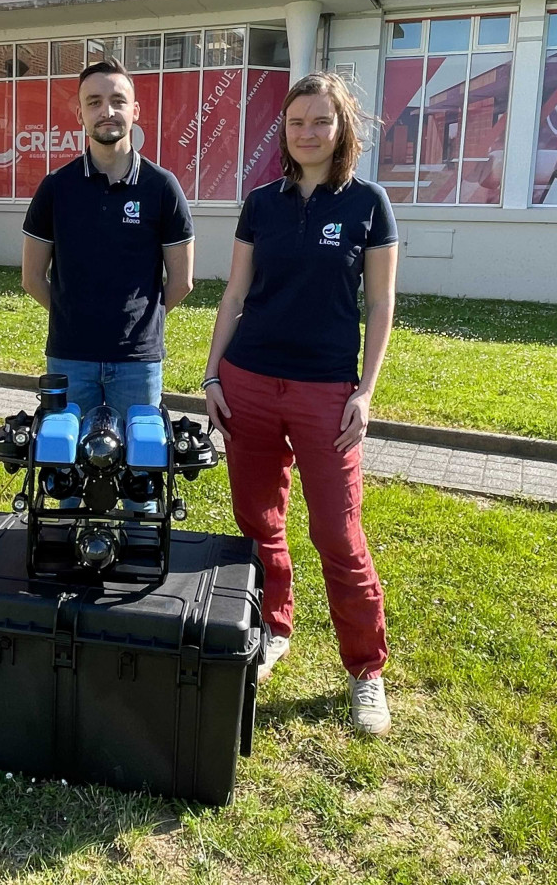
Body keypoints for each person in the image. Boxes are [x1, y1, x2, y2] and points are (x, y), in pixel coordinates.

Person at [202, 71, 399, 737]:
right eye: (296, 123)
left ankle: (365, 670)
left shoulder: (369, 205)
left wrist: (366, 392)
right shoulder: (261, 202)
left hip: (327, 394)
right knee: (258, 522)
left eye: (321, 121)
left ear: (343, 128)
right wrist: (212, 376)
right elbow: (234, 295)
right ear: (282, 134)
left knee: (338, 535)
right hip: (250, 380)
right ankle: (272, 628)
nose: (308, 133)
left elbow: (379, 305)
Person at [21, 57, 195, 414]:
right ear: (80, 115)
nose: (107, 111)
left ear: (135, 111)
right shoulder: (56, 187)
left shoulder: (162, 187)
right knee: (65, 461)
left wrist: (141, 324)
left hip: (138, 361)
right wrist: (74, 316)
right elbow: (31, 278)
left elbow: (182, 282)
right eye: (94, 102)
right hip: (70, 358)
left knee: (140, 462)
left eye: (117, 101)